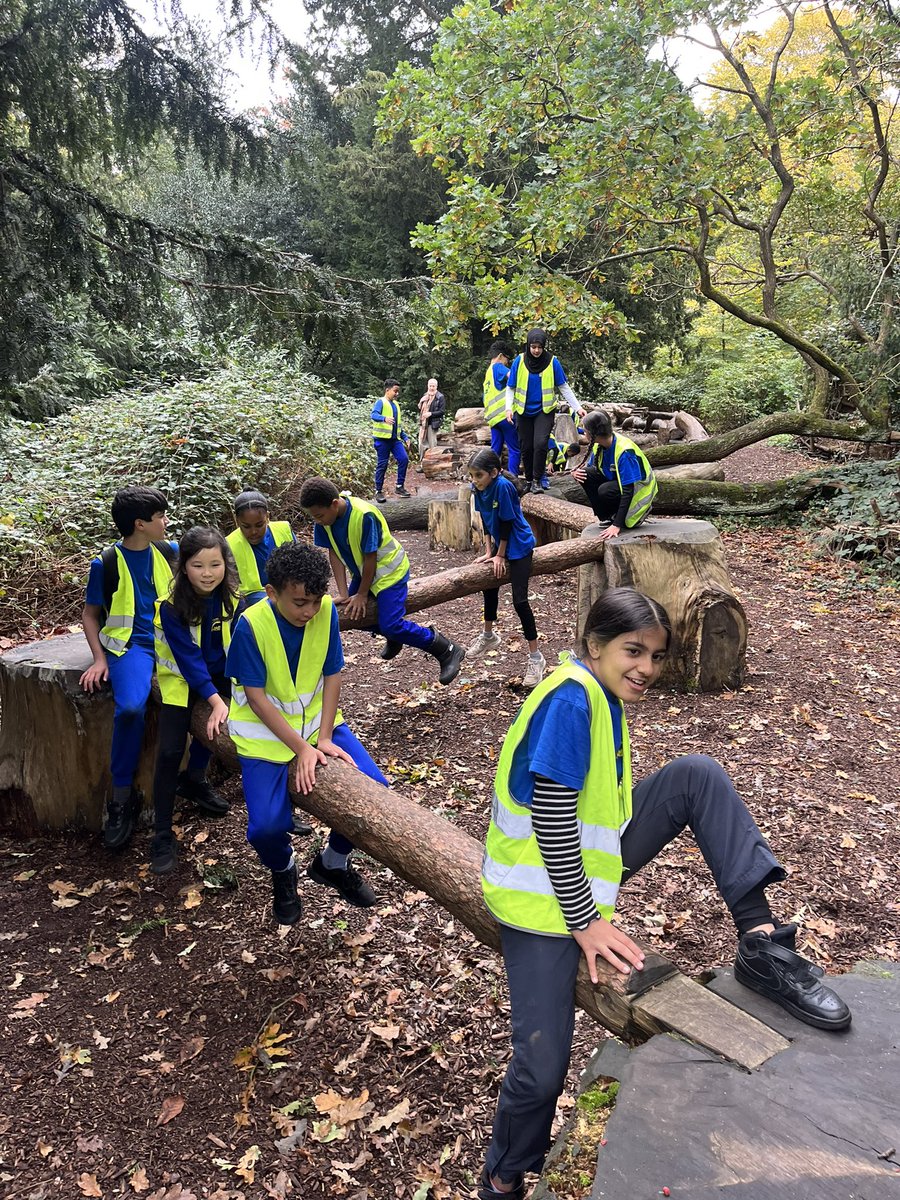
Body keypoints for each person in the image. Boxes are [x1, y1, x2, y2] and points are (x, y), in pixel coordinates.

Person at [476, 587, 852, 1200]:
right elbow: (549, 814)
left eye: (655, 655)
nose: (647, 668)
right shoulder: (573, 700)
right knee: (541, 1071)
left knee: (696, 775)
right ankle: (504, 1175)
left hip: (582, 864)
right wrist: (585, 921)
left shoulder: (601, 692)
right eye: (634, 651)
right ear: (594, 644)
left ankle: (761, 942)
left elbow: (592, 811)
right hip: (539, 898)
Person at [225, 541, 381, 924]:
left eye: (316, 600)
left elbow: (333, 672)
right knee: (265, 829)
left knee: (376, 792)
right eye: (299, 603)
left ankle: (332, 863)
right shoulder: (251, 624)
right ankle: (284, 868)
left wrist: (324, 737)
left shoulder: (324, 611)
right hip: (263, 735)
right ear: (272, 592)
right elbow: (257, 698)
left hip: (317, 725)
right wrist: (300, 749)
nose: (309, 611)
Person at [80, 486, 177, 850]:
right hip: (129, 648)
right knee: (133, 708)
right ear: (140, 524)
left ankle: (195, 779)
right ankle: (122, 797)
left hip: (169, 641)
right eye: (160, 517)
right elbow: (90, 616)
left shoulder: (169, 552)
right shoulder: (105, 563)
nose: (166, 522)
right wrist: (100, 658)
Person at [299, 477, 465, 686]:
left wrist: (361, 594)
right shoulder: (324, 520)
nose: (317, 521)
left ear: (334, 504)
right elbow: (334, 553)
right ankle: (395, 637)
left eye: (320, 516)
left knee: (392, 624)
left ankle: (445, 648)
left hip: (389, 572)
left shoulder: (364, 515)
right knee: (352, 614)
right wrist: (344, 593)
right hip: (364, 574)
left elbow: (371, 558)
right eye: (314, 517)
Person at [150, 527, 238, 874]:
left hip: (221, 676)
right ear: (183, 566)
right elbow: (188, 659)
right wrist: (215, 700)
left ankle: (196, 779)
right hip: (181, 680)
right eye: (198, 565)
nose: (207, 574)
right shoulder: (172, 608)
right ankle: (160, 832)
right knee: (170, 749)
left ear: (225, 564)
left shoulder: (233, 597)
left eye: (215, 564)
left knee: (223, 732)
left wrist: (230, 692)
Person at [466, 449, 545, 690]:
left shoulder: (503, 487)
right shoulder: (477, 489)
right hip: (499, 546)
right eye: (471, 475)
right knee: (489, 586)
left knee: (520, 602)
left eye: (478, 475)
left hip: (519, 546)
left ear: (493, 472)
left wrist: (501, 555)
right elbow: (487, 522)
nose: (474, 480)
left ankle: (536, 658)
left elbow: (507, 523)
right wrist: (488, 553)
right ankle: (489, 635)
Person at [505, 329, 584, 494]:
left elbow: (563, 386)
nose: (536, 350)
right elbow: (510, 387)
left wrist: (578, 407)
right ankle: (527, 480)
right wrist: (508, 408)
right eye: (533, 347)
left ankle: (537, 480)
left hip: (544, 411)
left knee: (540, 444)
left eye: (539, 347)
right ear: (528, 346)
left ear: (544, 347)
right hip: (522, 411)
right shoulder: (519, 361)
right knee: (526, 447)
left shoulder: (552, 362)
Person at [571, 410, 658, 541]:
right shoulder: (599, 445)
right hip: (617, 483)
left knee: (605, 490)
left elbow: (629, 490)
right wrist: (577, 472)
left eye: (585, 429)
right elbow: (592, 470)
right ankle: (608, 517)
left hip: (638, 493)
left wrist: (617, 525)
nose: (583, 432)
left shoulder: (624, 452)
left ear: (593, 433)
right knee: (586, 474)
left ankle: (622, 519)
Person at [226, 490, 295, 601]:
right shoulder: (230, 544)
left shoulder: (284, 529)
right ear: (237, 521)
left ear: (267, 517)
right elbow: (232, 589)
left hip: (290, 591)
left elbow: (302, 564)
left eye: (259, 525)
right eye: (246, 526)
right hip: (251, 601)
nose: (253, 532)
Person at [481, 343, 521, 477]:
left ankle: (487, 477)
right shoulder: (498, 367)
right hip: (505, 417)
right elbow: (513, 377)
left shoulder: (488, 373)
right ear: (500, 356)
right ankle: (513, 480)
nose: (507, 362)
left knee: (495, 451)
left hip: (493, 420)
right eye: (507, 359)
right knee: (514, 449)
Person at [371, 378, 411, 503]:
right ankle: (378, 491)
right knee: (382, 465)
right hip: (382, 441)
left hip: (395, 440)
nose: (397, 394)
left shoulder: (396, 405)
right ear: (387, 390)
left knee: (404, 459)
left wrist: (405, 437)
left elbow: (397, 425)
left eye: (398, 391)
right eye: (395, 391)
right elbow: (373, 415)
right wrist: (384, 418)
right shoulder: (381, 402)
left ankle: (399, 487)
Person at [416, 377, 446, 469]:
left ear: (436, 386)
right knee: (421, 444)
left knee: (432, 445)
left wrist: (430, 414)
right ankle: (422, 464)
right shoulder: (425, 396)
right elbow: (420, 409)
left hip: (433, 425)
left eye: (433, 386)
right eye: (430, 386)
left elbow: (442, 411)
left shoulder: (440, 397)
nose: (431, 388)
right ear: (427, 386)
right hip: (423, 425)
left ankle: (433, 465)